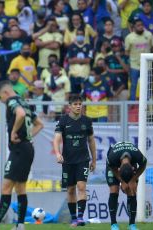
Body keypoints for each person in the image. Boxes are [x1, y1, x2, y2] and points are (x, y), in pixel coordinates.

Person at [0, 81, 44, 230]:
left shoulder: (12, 101)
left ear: (5, 93)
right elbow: (40, 124)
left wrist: (14, 132)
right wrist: (28, 137)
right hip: (26, 148)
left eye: (0, 96)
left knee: (6, 187)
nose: (0, 100)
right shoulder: (24, 102)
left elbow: (20, 114)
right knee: (20, 188)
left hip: (19, 150)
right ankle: (20, 225)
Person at [53, 95, 97, 227]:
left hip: (82, 159)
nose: (78, 106)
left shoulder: (87, 121)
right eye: (75, 104)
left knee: (81, 187)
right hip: (67, 161)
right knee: (71, 190)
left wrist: (94, 160)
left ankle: (80, 218)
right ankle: (73, 218)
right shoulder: (63, 120)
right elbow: (56, 139)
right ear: (69, 106)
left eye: (80, 104)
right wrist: (57, 153)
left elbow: (91, 141)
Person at [106, 142, 147, 230]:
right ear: (119, 168)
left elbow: (144, 164)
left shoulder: (137, 155)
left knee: (132, 190)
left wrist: (132, 180)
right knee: (114, 190)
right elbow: (112, 167)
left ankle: (132, 225)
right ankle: (113, 224)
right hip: (113, 165)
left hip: (131, 163)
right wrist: (121, 181)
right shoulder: (112, 157)